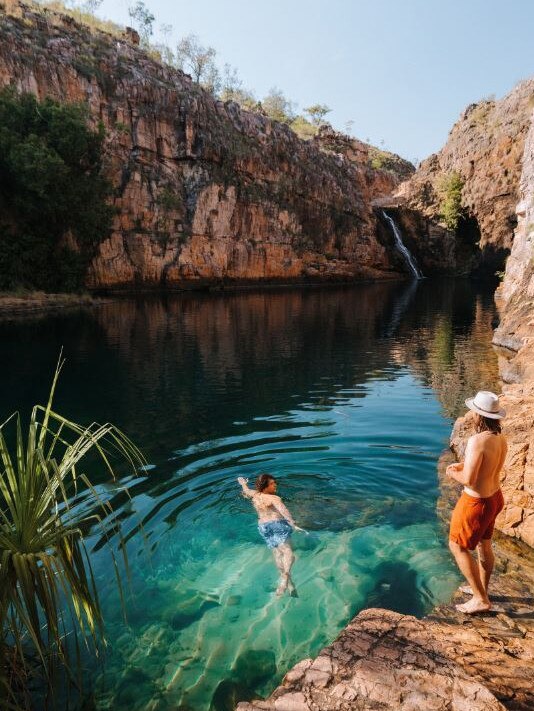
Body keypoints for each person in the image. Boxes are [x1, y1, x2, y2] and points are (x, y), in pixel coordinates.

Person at [447, 391, 507, 614]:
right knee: (484, 544)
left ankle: (481, 599)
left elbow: (469, 479)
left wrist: (451, 472)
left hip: (476, 503)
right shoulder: (498, 437)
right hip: (494, 498)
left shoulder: (477, 440)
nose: (470, 414)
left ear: (478, 416)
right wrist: (462, 465)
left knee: (457, 546)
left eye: (473, 411)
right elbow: (485, 465)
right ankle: (482, 590)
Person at [237, 473, 305, 596]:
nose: (275, 485)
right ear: (265, 486)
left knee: (277, 553)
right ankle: (285, 576)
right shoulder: (275, 498)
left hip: (263, 527)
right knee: (288, 552)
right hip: (277, 524)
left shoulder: (255, 495)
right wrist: (293, 525)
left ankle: (289, 583)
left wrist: (243, 483)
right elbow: (285, 512)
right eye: (272, 484)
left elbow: (246, 491)